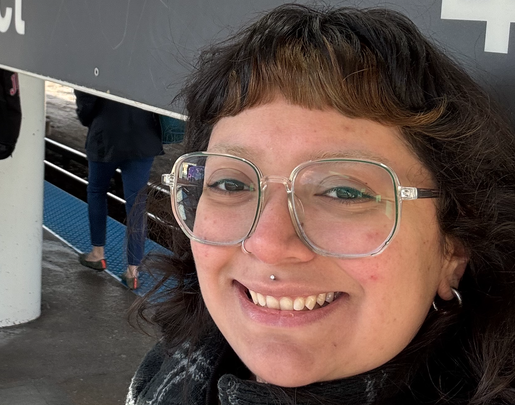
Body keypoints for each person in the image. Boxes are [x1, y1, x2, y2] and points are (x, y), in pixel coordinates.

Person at [128, 5, 515, 404]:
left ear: (453, 248)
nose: (267, 243)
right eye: (231, 184)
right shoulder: (165, 372)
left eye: (343, 192)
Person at [74, 91, 163, 290]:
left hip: (105, 134)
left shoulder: (103, 66)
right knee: (137, 203)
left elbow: (86, 96)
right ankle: (133, 271)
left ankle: (97, 254)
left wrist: (86, 117)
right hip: (143, 137)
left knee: (97, 191)